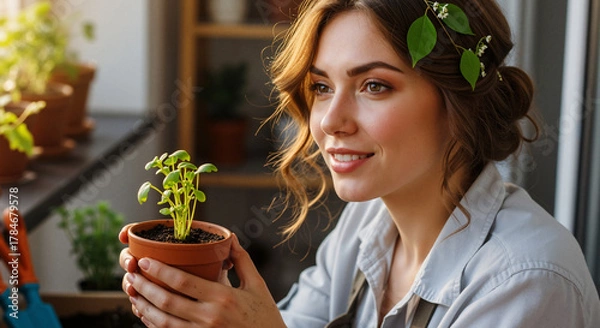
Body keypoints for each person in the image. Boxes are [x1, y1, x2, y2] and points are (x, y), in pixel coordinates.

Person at [119, 0, 600, 327]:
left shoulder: (527, 282)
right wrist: (209, 302)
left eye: (374, 85)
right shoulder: (369, 224)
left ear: (460, 103)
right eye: (322, 86)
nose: (329, 121)